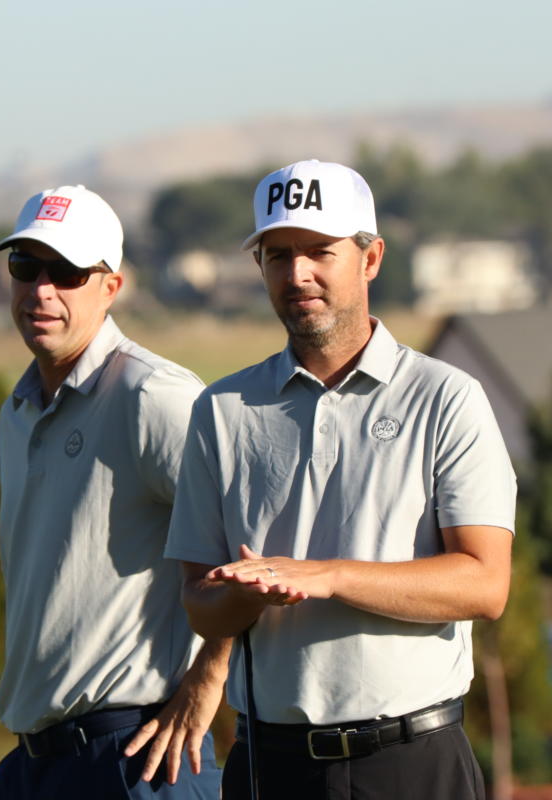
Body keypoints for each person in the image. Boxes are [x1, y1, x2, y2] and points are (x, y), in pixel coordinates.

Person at [164, 160, 516, 800]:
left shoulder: (445, 397)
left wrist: (329, 576)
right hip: (269, 765)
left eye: (319, 251)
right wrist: (247, 596)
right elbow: (198, 602)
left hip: (411, 761)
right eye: (277, 255)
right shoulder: (221, 409)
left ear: (371, 258)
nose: (297, 274)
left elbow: (486, 584)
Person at [0, 184, 227, 800]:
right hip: (33, 765)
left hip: (136, 759)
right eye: (26, 266)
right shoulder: (16, 413)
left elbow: (254, 546)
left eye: (67, 272)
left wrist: (208, 680)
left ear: (111, 287)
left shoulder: (154, 396)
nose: (42, 289)